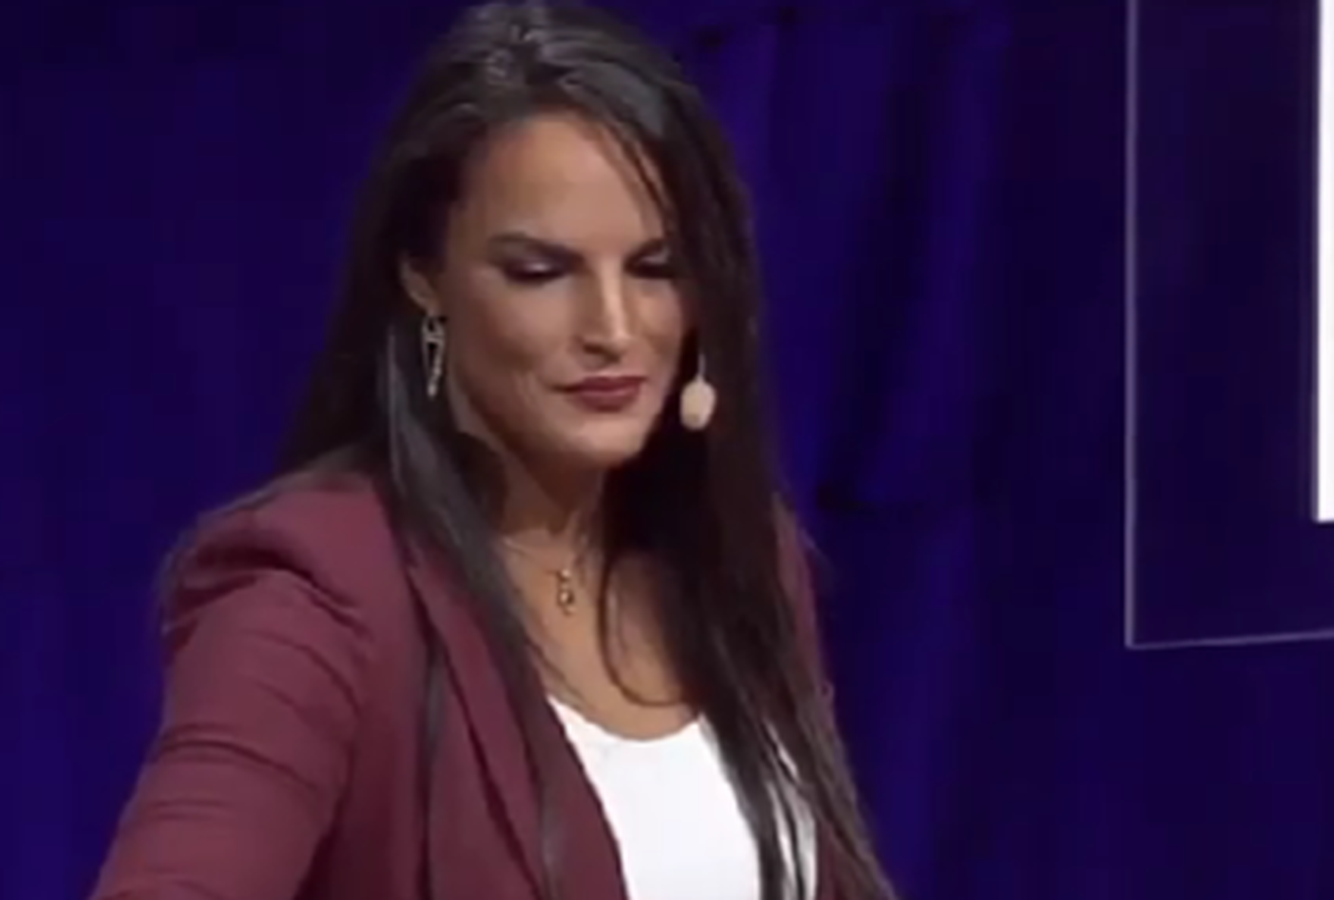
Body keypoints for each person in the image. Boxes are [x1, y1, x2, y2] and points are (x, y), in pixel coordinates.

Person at [90, 2, 894, 899]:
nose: (614, 328)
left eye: (656, 268)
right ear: (422, 276)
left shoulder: (738, 554)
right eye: (541, 272)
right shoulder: (317, 593)